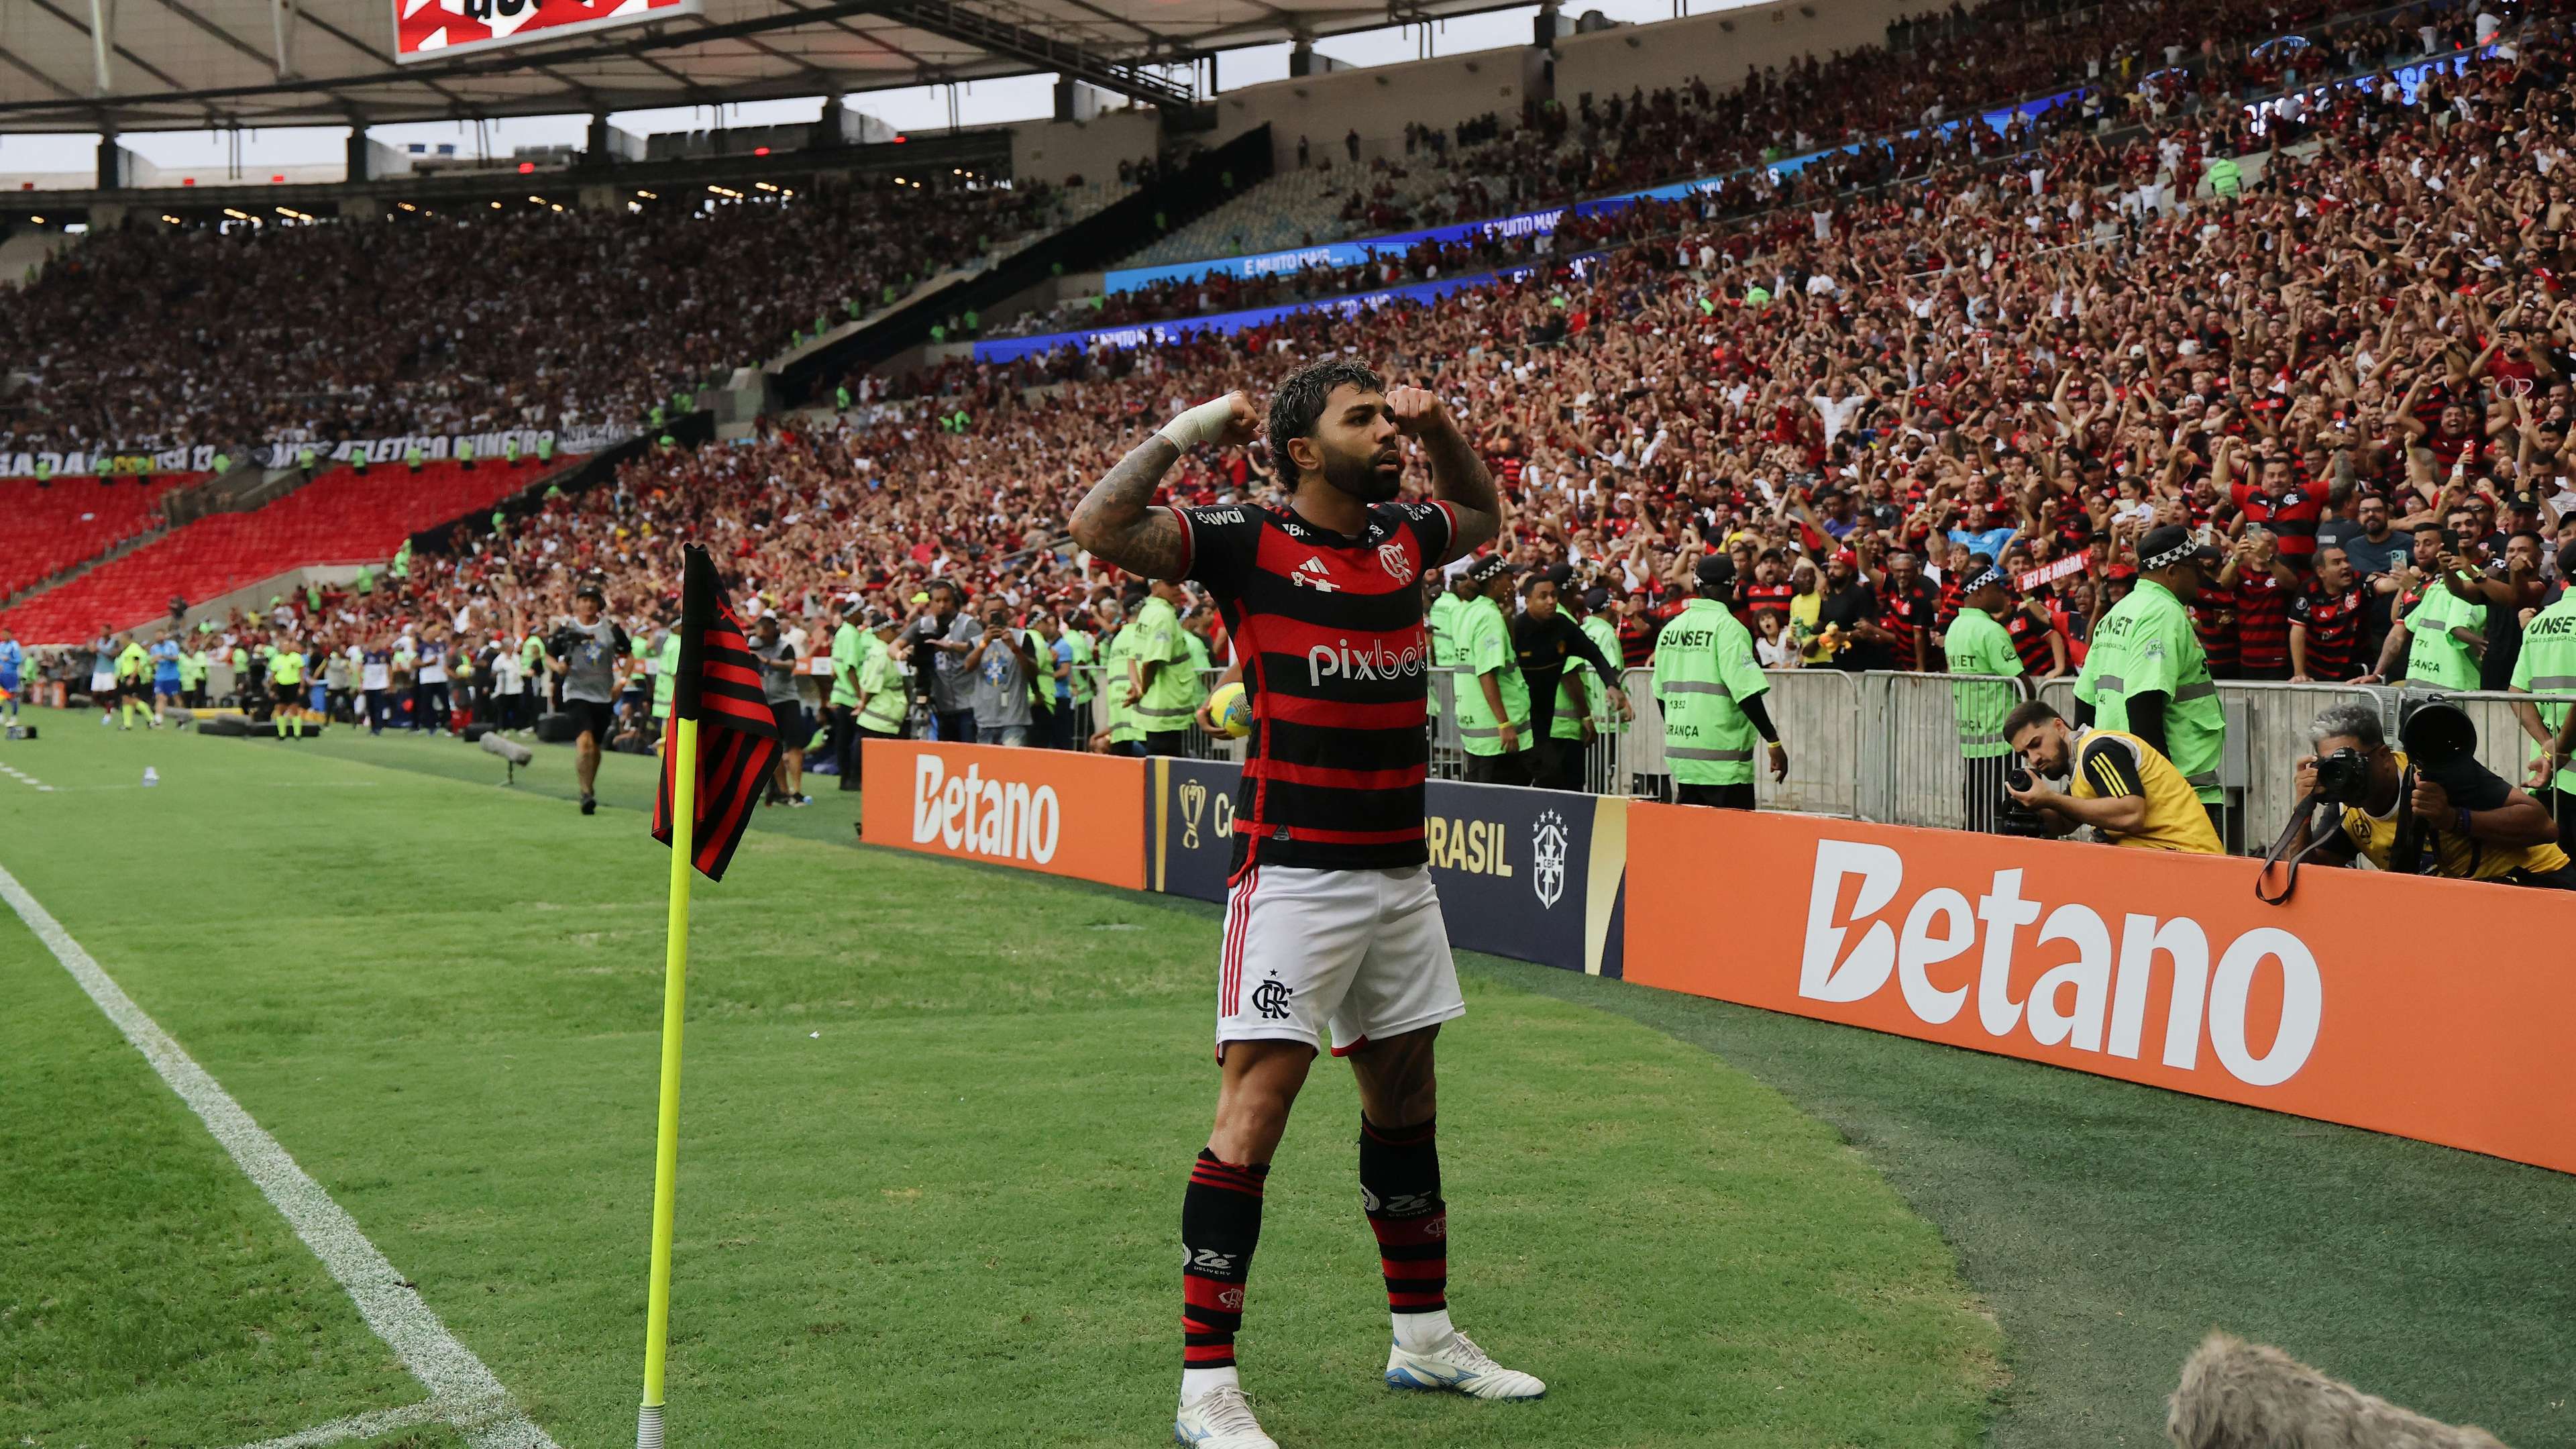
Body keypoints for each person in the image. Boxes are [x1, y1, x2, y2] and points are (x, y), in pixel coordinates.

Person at [1066, 362, 1536, 1449]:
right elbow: (1099, 520)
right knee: (1254, 1116)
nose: (1388, 434)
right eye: (1361, 420)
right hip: (1293, 879)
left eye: (1388, 415)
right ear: (1302, 453)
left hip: (1399, 874)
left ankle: (1423, 1339)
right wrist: (1188, 428)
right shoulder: (1246, 543)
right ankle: (1206, 1391)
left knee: (1406, 1104)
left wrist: (1446, 421)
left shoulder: (1405, 539)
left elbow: (1483, 512)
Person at [2287, 702, 2575, 887]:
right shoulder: (2345, 808)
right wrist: (2303, 809)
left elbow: (2544, 826)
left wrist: (2454, 819)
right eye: (2334, 766)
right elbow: (2309, 878)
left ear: (2385, 757)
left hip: (2538, 882)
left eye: (2352, 762)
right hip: (2462, 900)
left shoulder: (2433, 771)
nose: (2345, 775)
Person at [2074, 524, 2226, 833]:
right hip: (2177, 792)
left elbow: (2085, 702)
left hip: (2120, 787)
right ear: (2171, 571)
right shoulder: (2162, 613)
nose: (2201, 574)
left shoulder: (2118, 612)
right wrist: (2165, 792)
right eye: (2195, 566)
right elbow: (2144, 703)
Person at [1652, 553, 1788, 808]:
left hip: (1683, 757)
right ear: (1734, 587)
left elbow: (1661, 694)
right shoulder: (1729, 628)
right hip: (1724, 763)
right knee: (1731, 845)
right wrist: (1773, 741)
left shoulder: (1670, 630)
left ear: (1696, 586)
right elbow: (1746, 692)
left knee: (1692, 843)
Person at [2001, 700, 2223, 854]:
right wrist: (2033, 811)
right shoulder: (2079, 766)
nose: (2034, 759)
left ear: (2059, 726)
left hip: (2189, 858)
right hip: (2162, 859)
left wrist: (2050, 799)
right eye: (2025, 754)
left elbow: (2131, 814)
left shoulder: (2098, 751)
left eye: (2036, 744)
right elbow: (2066, 821)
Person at [1514, 573, 1629, 790]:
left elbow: (1594, 654)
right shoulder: (1517, 630)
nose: (1551, 601)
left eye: (1553, 595)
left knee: (1570, 781)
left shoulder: (1562, 625)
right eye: (1543, 597)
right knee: (1545, 777)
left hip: (1548, 716)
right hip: (1522, 718)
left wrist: (1612, 685)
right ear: (1528, 600)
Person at [1943, 557, 2030, 833]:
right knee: (2006, 813)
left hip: (1972, 740)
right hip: (2002, 739)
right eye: (1996, 589)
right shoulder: (1991, 631)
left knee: (1976, 811)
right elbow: (2022, 682)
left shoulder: (1954, 629)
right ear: (1979, 593)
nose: (2003, 594)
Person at [1453, 555, 1534, 785]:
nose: (1512, 585)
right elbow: (1486, 673)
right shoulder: (1488, 617)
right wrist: (1504, 724)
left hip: (1477, 730)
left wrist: (1507, 616)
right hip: (1498, 736)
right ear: (1495, 582)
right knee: (1505, 811)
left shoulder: (1466, 611)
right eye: (1509, 579)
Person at [549, 585, 629, 816]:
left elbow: (629, 655)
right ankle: (585, 793)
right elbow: (549, 655)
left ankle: (589, 787)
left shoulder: (611, 629)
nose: (588, 604)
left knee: (595, 747)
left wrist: (621, 683)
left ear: (599, 604)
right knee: (584, 742)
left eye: (592, 599)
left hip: (604, 694)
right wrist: (558, 667)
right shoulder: (566, 629)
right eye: (583, 599)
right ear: (577, 603)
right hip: (576, 692)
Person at [2510, 585, 2576, 854]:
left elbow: (2516, 692)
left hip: (2548, 772)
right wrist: (2558, 749)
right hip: (2555, 763)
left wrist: (2547, 745)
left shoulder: (2539, 622)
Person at [1127, 577, 1202, 755]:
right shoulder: (1163, 615)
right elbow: (1151, 661)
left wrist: (1137, 688)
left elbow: (1132, 657)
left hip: (1156, 710)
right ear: (1155, 586)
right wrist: (1142, 690)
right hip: (1166, 711)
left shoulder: (1148, 610)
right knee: (1167, 772)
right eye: (1172, 583)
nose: (1179, 588)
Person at [751, 613, 812, 806]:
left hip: (787, 701)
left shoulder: (784, 646)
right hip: (766, 703)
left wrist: (766, 661)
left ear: (769, 629)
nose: (759, 634)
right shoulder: (754, 644)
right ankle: (783, 791)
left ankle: (797, 790)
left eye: (762, 629)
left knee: (794, 746)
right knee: (774, 748)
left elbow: (790, 665)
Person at [908, 580, 981, 741]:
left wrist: (950, 646)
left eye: (946, 600)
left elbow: (981, 647)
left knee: (968, 752)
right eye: (937, 601)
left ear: (954, 601)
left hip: (968, 705)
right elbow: (894, 646)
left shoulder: (968, 624)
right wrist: (905, 654)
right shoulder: (923, 624)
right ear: (930, 603)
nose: (942, 605)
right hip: (941, 705)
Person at [966, 598, 1035, 748]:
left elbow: (1033, 672)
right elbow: (968, 667)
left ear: (1008, 614)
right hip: (985, 718)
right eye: (991, 612)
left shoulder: (1022, 638)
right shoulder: (976, 641)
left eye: (1001, 612)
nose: (996, 616)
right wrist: (984, 644)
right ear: (983, 616)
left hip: (1014, 719)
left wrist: (1015, 649)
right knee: (985, 767)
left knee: (1012, 767)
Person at [849, 614, 910, 781]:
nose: (896, 633)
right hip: (882, 716)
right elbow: (871, 688)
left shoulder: (878, 650)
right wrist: (863, 705)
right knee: (881, 764)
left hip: (879, 715)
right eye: (893, 630)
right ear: (882, 631)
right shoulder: (882, 654)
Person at [827, 601, 869, 788]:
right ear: (852, 615)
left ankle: (845, 779)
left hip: (840, 693)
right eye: (859, 611)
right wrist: (860, 695)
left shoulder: (841, 632)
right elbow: (851, 667)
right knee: (858, 737)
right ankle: (854, 778)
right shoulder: (851, 634)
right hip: (850, 695)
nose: (862, 614)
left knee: (843, 738)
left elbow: (836, 668)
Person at [150, 630, 184, 724]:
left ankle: (182, 718)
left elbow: (176, 658)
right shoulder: (154, 648)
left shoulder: (172, 645)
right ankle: (158, 720)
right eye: (156, 636)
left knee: (176, 697)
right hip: (160, 677)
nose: (158, 638)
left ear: (164, 636)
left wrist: (164, 656)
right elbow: (152, 661)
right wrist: (153, 661)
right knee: (160, 697)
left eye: (160, 636)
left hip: (172, 676)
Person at [0, 625, 21, 724]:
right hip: (1, 675)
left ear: (10, 634)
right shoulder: (1, 645)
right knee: (1, 695)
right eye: (2, 634)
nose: (3, 636)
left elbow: (19, 660)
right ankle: (1, 715)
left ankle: (14, 717)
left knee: (11, 696)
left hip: (10, 675)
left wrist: (10, 660)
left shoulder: (14, 645)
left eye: (5, 634)